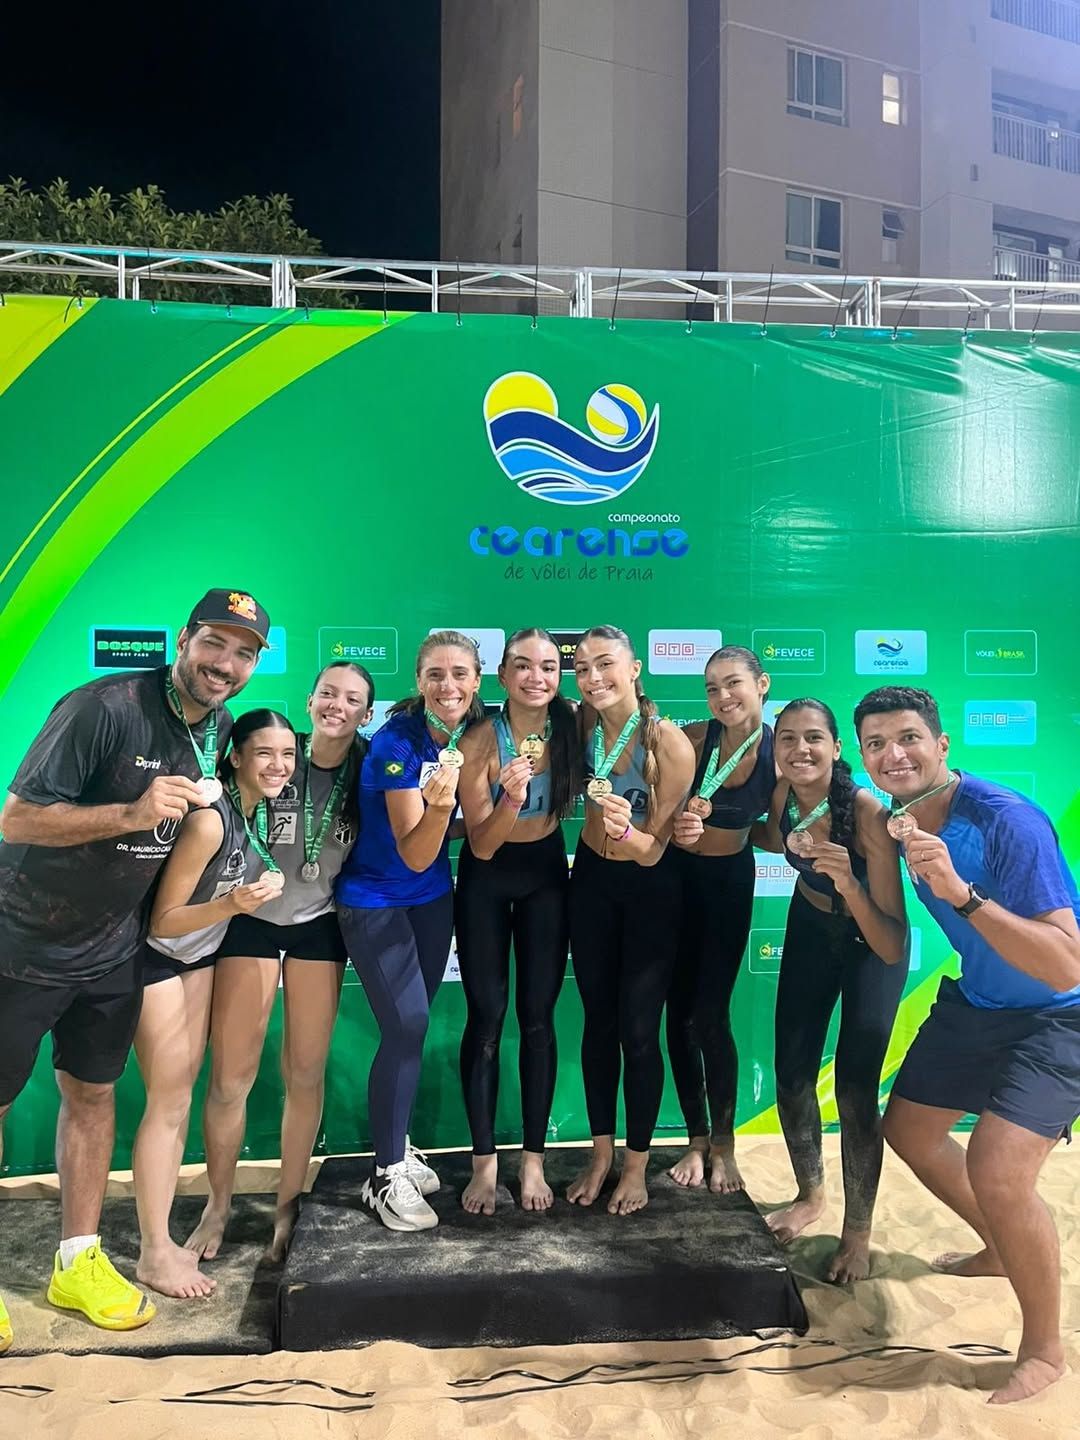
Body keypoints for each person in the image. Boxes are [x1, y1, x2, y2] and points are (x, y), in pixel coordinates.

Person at [0, 588, 268, 1337]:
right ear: (183, 639)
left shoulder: (216, 727)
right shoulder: (104, 707)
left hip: (114, 949)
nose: (225, 664)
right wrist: (130, 813)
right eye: (214, 644)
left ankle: (77, 1262)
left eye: (243, 654)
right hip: (23, 942)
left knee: (92, 1096)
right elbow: (17, 818)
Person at [856, 685, 1080, 1405]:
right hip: (979, 1003)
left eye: (909, 738)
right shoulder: (898, 819)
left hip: (1060, 1013)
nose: (894, 755)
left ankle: (1044, 1351)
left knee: (998, 1168)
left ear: (942, 745)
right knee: (909, 1130)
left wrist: (962, 894)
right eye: (877, 744)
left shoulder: (1008, 821)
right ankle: (1001, 1244)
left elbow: (1066, 964)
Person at [185, 663, 373, 1264]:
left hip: (320, 925)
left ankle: (288, 1206)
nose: (337, 706)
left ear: (367, 713)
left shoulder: (368, 767)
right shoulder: (276, 755)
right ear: (310, 700)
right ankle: (218, 1204)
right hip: (251, 920)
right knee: (230, 1077)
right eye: (327, 694)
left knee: (305, 1073)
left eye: (352, 699)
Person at [133, 711, 296, 1298]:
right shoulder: (210, 820)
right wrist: (232, 905)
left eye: (287, 754)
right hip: (157, 958)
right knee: (170, 1099)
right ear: (235, 757)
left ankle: (182, 1226)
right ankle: (154, 1250)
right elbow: (163, 920)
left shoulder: (258, 811)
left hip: (199, 957)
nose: (278, 765)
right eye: (264, 753)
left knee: (191, 1091)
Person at [755, 699, 907, 1283]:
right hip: (811, 928)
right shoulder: (783, 795)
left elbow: (891, 941)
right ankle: (810, 1196)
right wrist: (709, 825)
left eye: (813, 738)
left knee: (854, 1091)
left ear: (837, 748)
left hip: (870, 943)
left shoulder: (867, 814)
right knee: (792, 1075)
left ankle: (857, 1234)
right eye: (787, 738)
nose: (800, 749)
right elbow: (775, 840)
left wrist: (846, 880)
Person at [336, 632, 484, 1232]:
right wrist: (442, 808)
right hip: (376, 901)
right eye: (435, 675)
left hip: (431, 900)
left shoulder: (473, 734)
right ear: (419, 681)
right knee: (406, 1025)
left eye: (460, 674)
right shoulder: (395, 742)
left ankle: (395, 1145)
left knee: (411, 1030)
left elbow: (444, 841)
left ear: (477, 681)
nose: (448, 686)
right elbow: (416, 850)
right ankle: (384, 1174)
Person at [567, 625, 695, 1216]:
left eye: (605, 664)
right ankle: (600, 1156)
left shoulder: (670, 745)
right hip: (590, 883)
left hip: (649, 889)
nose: (593, 678)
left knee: (639, 1033)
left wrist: (625, 831)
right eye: (582, 668)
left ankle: (637, 1165)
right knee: (597, 1023)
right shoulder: (581, 725)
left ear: (635, 668)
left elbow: (653, 851)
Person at [455, 628, 579, 1214]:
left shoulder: (573, 726)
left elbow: (635, 725)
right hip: (488, 875)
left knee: (537, 1019)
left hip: (547, 875)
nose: (536, 677)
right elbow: (481, 845)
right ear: (502, 676)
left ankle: (533, 1161)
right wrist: (510, 797)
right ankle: (484, 1163)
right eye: (523, 666)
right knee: (486, 1018)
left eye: (549, 667)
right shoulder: (479, 739)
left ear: (560, 676)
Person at [666, 645, 774, 1194]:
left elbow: (776, 832)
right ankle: (696, 1138)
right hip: (675, 881)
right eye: (712, 688)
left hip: (729, 883)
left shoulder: (781, 751)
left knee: (711, 1014)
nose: (723, 696)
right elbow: (653, 809)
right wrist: (674, 824)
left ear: (762, 684)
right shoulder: (690, 739)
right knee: (677, 1014)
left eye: (733, 683)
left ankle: (725, 1143)